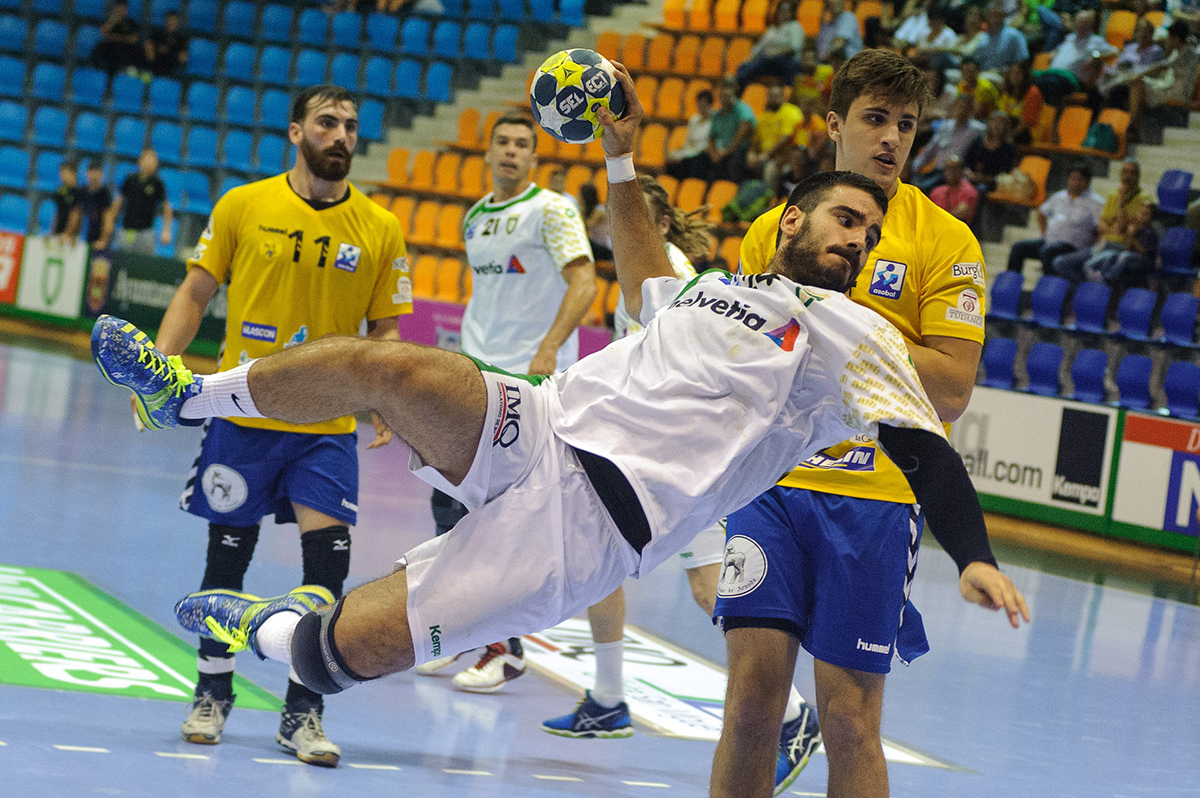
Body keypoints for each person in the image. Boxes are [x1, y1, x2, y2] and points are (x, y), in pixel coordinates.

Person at [92, 69, 1027, 790]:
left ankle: (265, 633)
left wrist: (970, 552)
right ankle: (189, 396)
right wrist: (620, 158)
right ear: (792, 219)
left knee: (339, 654)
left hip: (591, 528)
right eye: (844, 221)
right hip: (541, 424)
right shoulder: (718, 287)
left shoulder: (850, 335)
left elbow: (924, 447)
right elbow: (641, 267)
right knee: (394, 368)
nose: (857, 242)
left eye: (867, 238)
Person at [723, 48, 1009, 798]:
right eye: (875, 119)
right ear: (834, 126)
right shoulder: (775, 228)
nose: (890, 138)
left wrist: (854, 329)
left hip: (877, 498)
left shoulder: (946, 241)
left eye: (906, 125)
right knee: (752, 706)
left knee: (849, 720)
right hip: (772, 486)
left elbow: (949, 389)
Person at [148, 85, 412, 767]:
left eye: (352, 126)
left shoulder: (380, 227)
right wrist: (159, 369)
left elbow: (386, 329)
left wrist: (387, 398)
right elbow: (196, 290)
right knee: (226, 558)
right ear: (296, 132)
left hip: (327, 425)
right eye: (328, 123)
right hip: (242, 415)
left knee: (326, 573)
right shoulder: (243, 205)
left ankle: (304, 710)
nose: (342, 136)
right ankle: (213, 689)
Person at [539, 175, 767, 749]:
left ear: (660, 225)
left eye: (631, 217)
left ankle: (786, 712)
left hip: (686, 461)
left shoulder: (679, 280)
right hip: (646, 455)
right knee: (597, 564)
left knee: (709, 586)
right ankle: (610, 699)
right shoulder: (644, 273)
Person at [418, 113, 597, 694]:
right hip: (476, 375)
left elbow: (585, 282)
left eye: (524, 144)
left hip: (527, 384)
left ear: (534, 157)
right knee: (447, 502)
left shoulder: (553, 210)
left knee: (496, 518)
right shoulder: (475, 217)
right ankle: (461, 632)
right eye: (504, 142)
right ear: (489, 151)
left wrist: (548, 349)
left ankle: (506, 646)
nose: (512, 151)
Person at [1051, 159, 1157, 284]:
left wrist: (1122, 201)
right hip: (1103, 243)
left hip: (1120, 247)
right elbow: (1101, 225)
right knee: (1060, 263)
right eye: (1125, 172)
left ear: (1138, 176)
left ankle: (1094, 292)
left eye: (1132, 173)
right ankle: (1083, 289)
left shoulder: (1144, 199)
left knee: (1089, 267)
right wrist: (1112, 229)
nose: (1127, 176)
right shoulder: (1113, 195)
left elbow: (1123, 228)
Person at [1006, 161, 1104, 274]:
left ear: (1087, 182)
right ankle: (1011, 285)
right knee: (1019, 247)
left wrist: (1092, 247)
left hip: (1074, 246)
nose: (1075, 183)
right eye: (1072, 178)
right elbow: (1041, 213)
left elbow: (1100, 228)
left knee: (1048, 251)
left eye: (1079, 179)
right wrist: (1045, 233)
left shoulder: (1096, 203)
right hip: (1050, 241)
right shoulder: (1059, 196)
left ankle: (1050, 287)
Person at [1126, 21, 1200, 141]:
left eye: (1169, 37)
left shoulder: (1189, 52)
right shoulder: (1177, 51)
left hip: (1178, 92)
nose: (1167, 40)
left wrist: (1141, 74)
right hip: (1168, 86)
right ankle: (1134, 127)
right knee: (1136, 83)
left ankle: (1133, 127)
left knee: (1138, 85)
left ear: (1176, 38)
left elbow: (1163, 66)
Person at [911, 93, 985, 192]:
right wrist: (915, 167)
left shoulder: (977, 130)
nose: (962, 110)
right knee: (913, 184)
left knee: (925, 189)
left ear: (971, 110)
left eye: (966, 107)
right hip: (938, 171)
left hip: (958, 174)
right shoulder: (945, 126)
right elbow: (931, 149)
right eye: (959, 106)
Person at [106, 149, 172, 256]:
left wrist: (166, 231)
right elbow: (118, 201)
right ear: (139, 162)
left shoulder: (157, 183)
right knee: (124, 260)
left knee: (143, 263)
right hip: (127, 229)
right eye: (146, 161)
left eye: (152, 161)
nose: (148, 164)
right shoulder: (130, 179)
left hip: (146, 231)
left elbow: (166, 207)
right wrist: (110, 220)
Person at [736, 1, 806, 91]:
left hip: (784, 61)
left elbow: (794, 47)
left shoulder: (795, 27)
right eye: (781, 11)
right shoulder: (772, 29)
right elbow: (758, 48)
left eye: (786, 11)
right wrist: (748, 59)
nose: (783, 13)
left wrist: (774, 53)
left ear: (792, 13)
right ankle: (743, 91)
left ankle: (738, 89)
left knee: (763, 59)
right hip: (767, 62)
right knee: (744, 66)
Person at [748, 85, 804, 195]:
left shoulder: (790, 111)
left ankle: (769, 201)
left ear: (783, 97)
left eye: (776, 96)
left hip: (783, 156)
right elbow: (755, 142)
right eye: (770, 96)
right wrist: (751, 153)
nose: (772, 99)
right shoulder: (763, 116)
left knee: (770, 169)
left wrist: (767, 154)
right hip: (763, 156)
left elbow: (786, 138)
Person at [701, 78, 757, 182]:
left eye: (727, 96)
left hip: (738, 150)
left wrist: (726, 151)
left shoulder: (742, 109)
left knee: (734, 161)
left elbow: (743, 132)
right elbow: (711, 138)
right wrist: (713, 153)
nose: (724, 98)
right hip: (720, 151)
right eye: (722, 96)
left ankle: (732, 190)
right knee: (700, 160)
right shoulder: (717, 115)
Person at [974, 2, 1030, 83]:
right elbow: (976, 61)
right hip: (981, 73)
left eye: (998, 15)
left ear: (1004, 15)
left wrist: (1002, 71)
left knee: (983, 81)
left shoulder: (1014, 35)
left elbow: (1022, 62)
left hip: (1004, 76)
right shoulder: (982, 37)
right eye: (992, 15)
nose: (995, 18)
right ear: (987, 17)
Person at [963, 110, 1017, 193]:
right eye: (994, 122)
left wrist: (984, 178)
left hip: (991, 183)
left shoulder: (1008, 148)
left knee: (980, 190)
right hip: (970, 177)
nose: (996, 125)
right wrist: (969, 174)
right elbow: (965, 161)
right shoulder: (979, 141)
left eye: (1000, 123)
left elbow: (1004, 174)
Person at [666, 88, 714, 179]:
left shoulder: (714, 120)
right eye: (699, 103)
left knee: (691, 162)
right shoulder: (694, 119)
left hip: (702, 153)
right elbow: (688, 141)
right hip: (691, 150)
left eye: (704, 103)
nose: (701, 106)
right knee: (671, 160)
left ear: (710, 104)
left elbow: (708, 144)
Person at [91, 0, 143, 76]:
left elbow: (133, 39)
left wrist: (115, 37)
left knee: (130, 50)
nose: (121, 11)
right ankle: (101, 70)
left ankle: (123, 70)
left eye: (123, 9)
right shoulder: (109, 21)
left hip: (124, 48)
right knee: (100, 48)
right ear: (115, 9)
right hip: (110, 48)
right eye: (119, 9)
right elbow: (103, 34)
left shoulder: (131, 22)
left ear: (126, 11)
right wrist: (113, 21)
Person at [930, 154, 980, 222]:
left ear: (962, 171)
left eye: (955, 168)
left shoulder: (969, 191)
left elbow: (961, 214)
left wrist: (938, 219)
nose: (951, 172)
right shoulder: (936, 191)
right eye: (948, 168)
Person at [144, 10, 189, 77]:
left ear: (178, 22)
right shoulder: (158, 33)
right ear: (165, 21)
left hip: (171, 67)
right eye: (170, 20)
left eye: (174, 20)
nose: (172, 23)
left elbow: (183, 57)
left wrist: (167, 52)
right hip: (156, 63)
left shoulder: (181, 38)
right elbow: (149, 46)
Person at [79, 160, 113, 249]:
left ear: (101, 174)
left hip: (99, 240)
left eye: (97, 172)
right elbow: (76, 214)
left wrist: (104, 240)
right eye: (92, 172)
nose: (94, 175)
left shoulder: (105, 193)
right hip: (84, 237)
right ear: (87, 173)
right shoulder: (82, 192)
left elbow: (108, 218)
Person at [50, 159, 82, 244]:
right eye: (61, 173)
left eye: (64, 173)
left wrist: (67, 234)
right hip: (59, 233)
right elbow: (57, 212)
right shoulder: (60, 190)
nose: (62, 176)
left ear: (73, 174)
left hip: (72, 236)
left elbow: (76, 214)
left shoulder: (79, 192)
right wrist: (52, 232)